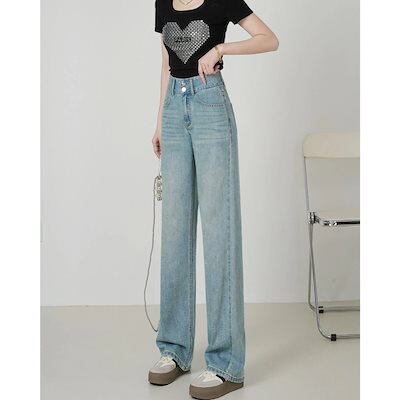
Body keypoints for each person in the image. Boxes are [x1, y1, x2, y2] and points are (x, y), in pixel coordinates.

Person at [148, 1, 278, 398]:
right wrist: (160, 120)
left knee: (220, 233)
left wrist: (221, 49)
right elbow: (166, 63)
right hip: (174, 110)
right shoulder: (163, 2)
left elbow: (269, 39)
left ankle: (226, 364)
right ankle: (174, 349)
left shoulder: (223, 0)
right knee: (174, 233)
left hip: (210, 105)